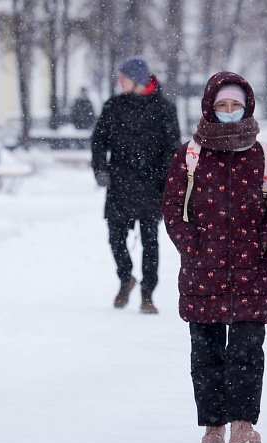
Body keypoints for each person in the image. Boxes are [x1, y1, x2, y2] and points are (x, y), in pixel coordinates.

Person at [162, 72, 267, 443]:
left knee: (248, 352)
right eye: (223, 105)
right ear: (210, 108)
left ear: (247, 106)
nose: (229, 111)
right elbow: (172, 208)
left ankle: (243, 424)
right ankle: (213, 426)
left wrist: (266, 244)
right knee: (207, 352)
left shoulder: (263, 156)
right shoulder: (190, 156)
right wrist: (192, 245)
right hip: (203, 272)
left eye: (235, 105)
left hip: (252, 272)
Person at [91, 56, 181, 314]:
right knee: (115, 237)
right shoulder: (113, 106)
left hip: (152, 186)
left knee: (150, 241)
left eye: (124, 77)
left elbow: (172, 148)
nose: (120, 81)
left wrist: (167, 181)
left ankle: (147, 294)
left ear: (139, 80)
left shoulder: (164, 108)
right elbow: (98, 141)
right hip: (119, 184)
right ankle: (126, 277)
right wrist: (100, 169)